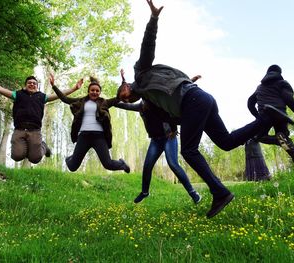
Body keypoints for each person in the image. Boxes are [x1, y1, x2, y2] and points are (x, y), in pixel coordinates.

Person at [116, 0, 281, 218]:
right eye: (124, 101)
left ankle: (220, 193)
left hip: (193, 99)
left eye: (124, 96)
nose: (126, 100)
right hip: (200, 100)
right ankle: (267, 118)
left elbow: (147, 46)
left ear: (126, 86)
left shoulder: (141, 74)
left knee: (189, 151)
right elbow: (168, 112)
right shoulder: (150, 102)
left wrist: (153, 18)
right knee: (226, 142)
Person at [116, 70, 202, 204]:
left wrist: (191, 81)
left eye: (126, 97)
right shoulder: (140, 107)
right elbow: (124, 104)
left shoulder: (157, 102)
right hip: (156, 140)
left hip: (169, 137)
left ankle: (193, 193)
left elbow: (172, 92)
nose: (127, 100)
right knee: (147, 166)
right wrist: (109, 102)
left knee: (173, 164)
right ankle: (145, 192)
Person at [0, 65, 77, 164]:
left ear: (37, 86)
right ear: (25, 85)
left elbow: (60, 95)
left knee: (35, 159)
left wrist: (74, 89)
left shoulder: (42, 97)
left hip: (34, 131)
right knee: (16, 156)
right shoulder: (17, 95)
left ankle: (43, 147)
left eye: (34, 83)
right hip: (19, 130)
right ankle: (27, 148)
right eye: (30, 83)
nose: (32, 84)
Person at [50, 75, 130, 173]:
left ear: (99, 92)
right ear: (88, 91)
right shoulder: (80, 101)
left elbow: (119, 97)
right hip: (84, 136)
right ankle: (70, 158)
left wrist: (123, 81)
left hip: (99, 137)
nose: (94, 92)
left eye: (97, 91)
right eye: (92, 90)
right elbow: (64, 99)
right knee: (72, 167)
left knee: (108, 164)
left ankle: (122, 164)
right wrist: (54, 86)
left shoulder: (104, 102)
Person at [247, 64, 294, 177]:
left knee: (259, 137)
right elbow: (289, 99)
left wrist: (257, 116)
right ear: (279, 73)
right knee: (285, 139)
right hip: (280, 115)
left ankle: (282, 142)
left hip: (265, 114)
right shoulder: (282, 83)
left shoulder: (259, 87)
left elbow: (250, 103)